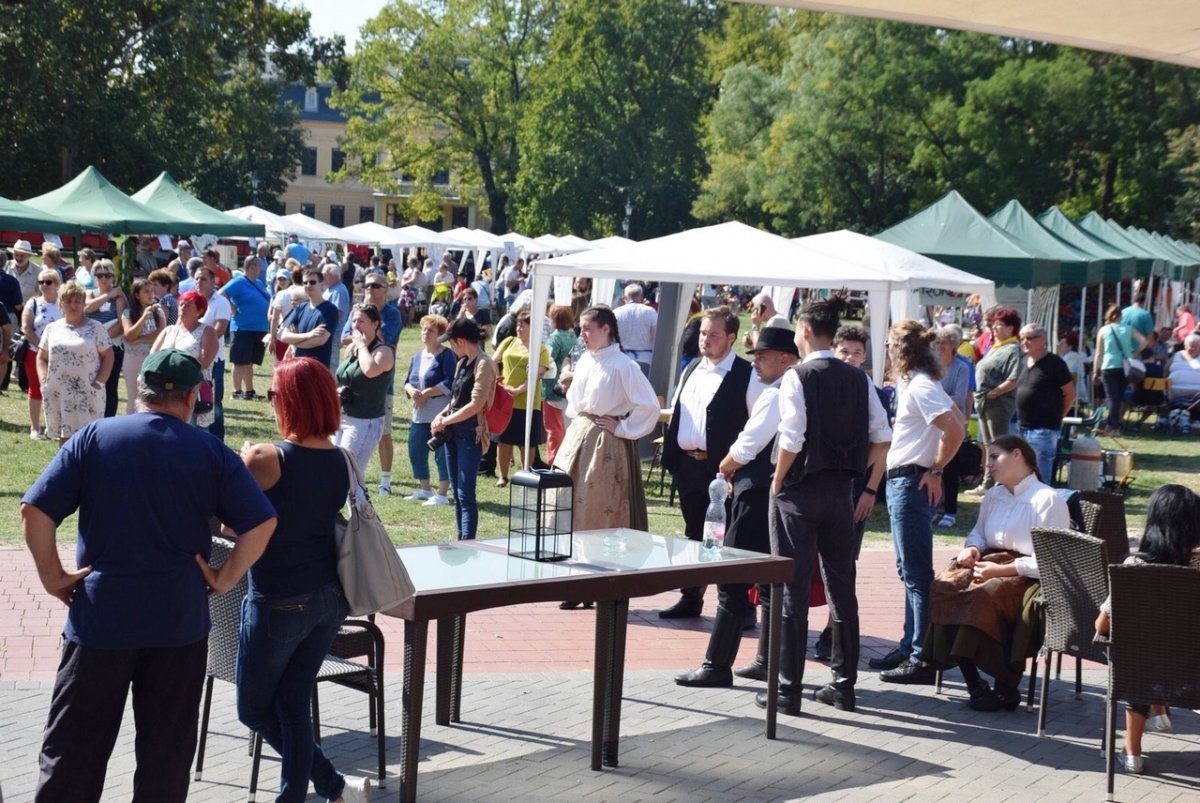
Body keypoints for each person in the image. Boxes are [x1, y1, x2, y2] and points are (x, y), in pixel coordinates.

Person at [23, 348, 276, 803]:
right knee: (166, 758)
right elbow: (261, 523)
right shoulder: (211, 452)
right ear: (192, 397)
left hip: (101, 620)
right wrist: (224, 577)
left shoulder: (95, 437)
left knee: (72, 755)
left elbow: (35, 511)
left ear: (141, 389)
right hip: (178, 623)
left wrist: (53, 577)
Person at [223, 357, 373, 803]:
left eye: (274, 394)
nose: (270, 401)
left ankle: (328, 782)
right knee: (293, 703)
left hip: (280, 599)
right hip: (330, 597)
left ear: (290, 401)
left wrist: (243, 461)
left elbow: (231, 523)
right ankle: (323, 790)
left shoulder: (267, 457)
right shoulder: (342, 458)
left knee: (253, 707)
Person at [765, 297, 892, 714]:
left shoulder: (797, 376)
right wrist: (856, 466)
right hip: (840, 492)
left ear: (803, 329)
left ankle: (788, 691)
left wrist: (780, 478)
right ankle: (843, 685)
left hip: (801, 490)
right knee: (842, 587)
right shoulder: (859, 379)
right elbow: (882, 436)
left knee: (792, 587)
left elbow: (792, 435)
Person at [675, 325, 797, 686]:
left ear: (785, 359)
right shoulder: (794, 390)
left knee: (732, 580)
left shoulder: (778, 393)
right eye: (755, 355)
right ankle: (766, 659)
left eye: (763, 356)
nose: (755, 362)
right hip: (775, 493)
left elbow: (748, 444)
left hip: (756, 490)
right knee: (768, 580)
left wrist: (724, 466)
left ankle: (717, 665)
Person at [927, 434, 1070, 711]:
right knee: (944, 586)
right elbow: (979, 533)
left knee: (982, 595)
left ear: (1017, 455)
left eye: (994, 457)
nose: (988, 465)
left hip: (1028, 575)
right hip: (992, 562)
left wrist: (1000, 571)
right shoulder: (994, 495)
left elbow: (1051, 561)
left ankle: (1005, 681)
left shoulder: (1047, 499)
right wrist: (972, 549)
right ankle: (974, 684)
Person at [875, 320, 965, 686]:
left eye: (890, 344)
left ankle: (922, 656)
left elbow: (956, 429)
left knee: (916, 574)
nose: (886, 349)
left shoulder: (921, 386)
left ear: (901, 349)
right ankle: (911, 645)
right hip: (907, 480)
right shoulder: (918, 383)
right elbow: (957, 419)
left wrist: (937, 469)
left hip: (912, 481)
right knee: (909, 571)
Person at [660, 306, 759, 619]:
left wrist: (735, 467)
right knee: (693, 534)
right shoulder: (691, 369)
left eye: (714, 334)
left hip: (725, 471)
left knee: (728, 537)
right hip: (689, 466)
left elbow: (755, 424)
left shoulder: (746, 374)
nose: (706, 339)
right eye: (703, 333)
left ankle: (740, 606)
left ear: (731, 337)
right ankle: (691, 597)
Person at [1095, 484, 1200, 774]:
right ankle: (1157, 705)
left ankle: (1133, 752)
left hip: (1144, 669)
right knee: (1156, 652)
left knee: (1137, 653)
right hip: (1193, 672)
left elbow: (1102, 625)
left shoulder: (1135, 566)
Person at [553, 305, 659, 557]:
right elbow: (577, 401)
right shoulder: (588, 360)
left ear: (606, 329)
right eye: (581, 329)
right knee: (565, 503)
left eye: (588, 329)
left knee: (599, 506)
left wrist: (623, 427)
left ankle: (598, 575)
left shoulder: (623, 365)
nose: (583, 335)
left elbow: (649, 405)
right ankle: (571, 571)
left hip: (606, 443)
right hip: (578, 437)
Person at [430, 318, 498, 540]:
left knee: (465, 494)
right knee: (456, 494)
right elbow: (456, 399)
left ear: (459, 341)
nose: (450, 347)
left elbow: (477, 404)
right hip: (453, 434)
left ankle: (468, 543)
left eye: (451, 342)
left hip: (470, 434)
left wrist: (446, 421)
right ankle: (461, 540)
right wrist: (440, 416)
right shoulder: (462, 363)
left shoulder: (484, 364)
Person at [37, 281, 115, 443]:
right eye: (68, 301)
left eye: (77, 301)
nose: (73, 305)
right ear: (61, 304)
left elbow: (108, 356)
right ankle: (67, 467)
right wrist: (44, 382)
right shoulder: (52, 329)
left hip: (87, 391)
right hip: (59, 391)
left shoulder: (96, 328)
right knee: (64, 437)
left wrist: (99, 383)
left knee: (88, 437)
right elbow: (41, 358)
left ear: (83, 304)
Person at [333, 304, 395, 475]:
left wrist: (361, 345)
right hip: (342, 417)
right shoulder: (351, 350)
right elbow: (342, 377)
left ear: (375, 324)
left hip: (365, 421)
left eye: (361, 321)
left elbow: (370, 371)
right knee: (335, 468)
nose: (356, 325)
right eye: (353, 321)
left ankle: (361, 503)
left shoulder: (384, 351)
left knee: (350, 472)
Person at [403, 314, 458, 504]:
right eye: (424, 329)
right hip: (419, 414)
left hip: (439, 413)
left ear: (440, 335)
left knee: (442, 454)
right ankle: (425, 490)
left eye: (431, 330)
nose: (426, 333)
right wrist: (411, 391)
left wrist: (427, 393)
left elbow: (451, 382)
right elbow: (408, 381)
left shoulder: (447, 355)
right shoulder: (417, 356)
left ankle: (442, 495)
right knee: (415, 449)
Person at [493, 310, 552, 487]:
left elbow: (539, 373)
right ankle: (503, 476)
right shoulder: (508, 342)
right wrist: (500, 382)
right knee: (503, 440)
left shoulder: (540, 348)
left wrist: (519, 390)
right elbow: (493, 361)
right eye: (517, 324)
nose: (518, 328)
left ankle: (526, 473)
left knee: (527, 442)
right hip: (505, 400)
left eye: (523, 325)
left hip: (528, 402)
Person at [969, 307, 1022, 493]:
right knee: (988, 444)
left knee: (998, 444)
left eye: (1000, 325)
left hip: (998, 404)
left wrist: (996, 392)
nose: (995, 328)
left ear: (1011, 328)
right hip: (984, 401)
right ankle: (987, 483)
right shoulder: (996, 346)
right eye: (995, 325)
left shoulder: (1013, 349)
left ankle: (1000, 483)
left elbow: (1014, 378)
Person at [1015, 323, 1075, 483]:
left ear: (1042, 339)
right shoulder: (1024, 361)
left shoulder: (1055, 364)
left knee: (1040, 475)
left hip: (1043, 429)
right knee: (1023, 473)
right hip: (1022, 427)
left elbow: (1070, 393)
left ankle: (1042, 507)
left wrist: (1059, 415)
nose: (1024, 342)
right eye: (1022, 339)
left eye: (1029, 338)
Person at [151, 290, 220, 431]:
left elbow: (204, 362)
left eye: (188, 306)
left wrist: (177, 376)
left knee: (189, 433)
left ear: (200, 310)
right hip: (164, 390)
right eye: (181, 304)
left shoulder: (207, 331)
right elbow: (153, 357)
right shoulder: (168, 331)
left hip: (190, 391)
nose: (182, 308)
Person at [935, 327, 971, 528]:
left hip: (953, 422)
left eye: (944, 343)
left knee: (950, 469)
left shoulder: (962, 367)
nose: (940, 347)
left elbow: (959, 397)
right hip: (935, 422)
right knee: (935, 467)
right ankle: (936, 507)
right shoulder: (932, 367)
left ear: (953, 346)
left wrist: (933, 397)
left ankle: (950, 511)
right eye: (937, 343)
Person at [221, 255, 271, 400]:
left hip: (259, 328)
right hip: (243, 327)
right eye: (258, 265)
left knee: (250, 362)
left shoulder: (259, 283)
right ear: (251, 266)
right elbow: (221, 293)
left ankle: (250, 391)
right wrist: (233, 309)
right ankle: (237, 391)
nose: (260, 268)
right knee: (239, 361)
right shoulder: (238, 282)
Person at [21, 268, 63, 439]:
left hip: (60, 354)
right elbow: (26, 328)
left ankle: (54, 426)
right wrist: (42, 348)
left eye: (48, 282)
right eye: (41, 282)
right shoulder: (33, 303)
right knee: (36, 389)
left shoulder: (63, 303)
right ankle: (35, 427)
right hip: (35, 352)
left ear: (57, 284)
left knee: (58, 390)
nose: (44, 285)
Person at [1093, 303, 1146, 435]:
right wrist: (1134, 352)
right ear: (1120, 316)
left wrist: (1095, 371)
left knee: (1111, 397)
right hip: (1126, 366)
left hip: (1109, 365)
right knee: (1118, 397)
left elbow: (1098, 353)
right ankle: (1112, 426)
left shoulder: (1103, 330)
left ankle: (1113, 427)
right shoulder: (1128, 329)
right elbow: (1144, 341)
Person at [83, 262, 126, 417]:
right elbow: (87, 308)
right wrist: (108, 295)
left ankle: (107, 420)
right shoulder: (90, 293)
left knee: (109, 386)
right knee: (89, 383)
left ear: (113, 277)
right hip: (90, 348)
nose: (103, 279)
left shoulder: (120, 297)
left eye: (107, 275)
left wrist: (102, 340)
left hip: (112, 348)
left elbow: (122, 324)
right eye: (99, 275)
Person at [122, 279, 167, 414]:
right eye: (146, 291)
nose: (151, 294)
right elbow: (129, 335)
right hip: (133, 359)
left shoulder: (159, 311)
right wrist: (144, 316)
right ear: (137, 295)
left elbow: (161, 333)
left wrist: (138, 340)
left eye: (152, 291)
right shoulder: (127, 313)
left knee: (152, 396)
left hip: (153, 358)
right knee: (133, 396)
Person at [279, 268, 339, 368]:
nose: (308, 285)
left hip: (317, 368)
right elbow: (284, 336)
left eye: (312, 282)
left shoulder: (330, 309)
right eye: (305, 283)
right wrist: (309, 335)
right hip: (298, 365)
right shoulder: (300, 308)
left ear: (321, 283)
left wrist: (295, 342)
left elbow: (320, 340)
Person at [542, 305, 576, 462]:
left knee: (553, 429)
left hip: (552, 389)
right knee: (565, 427)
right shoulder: (573, 337)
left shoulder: (554, 338)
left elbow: (545, 361)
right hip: (569, 387)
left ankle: (553, 462)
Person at [613, 283, 657, 375]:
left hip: (621, 359)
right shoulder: (650, 312)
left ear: (625, 298)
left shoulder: (616, 313)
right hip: (645, 359)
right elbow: (655, 339)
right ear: (641, 296)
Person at [1056, 331, 1088, 410]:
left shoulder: (1071, 357)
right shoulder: (1066, 357)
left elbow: (1072, 377)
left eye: (1063, 343)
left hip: (1075, 399)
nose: (1059, 345)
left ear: (1070, 346)